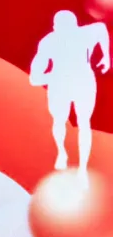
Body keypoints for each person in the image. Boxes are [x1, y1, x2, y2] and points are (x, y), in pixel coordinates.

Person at [29, 9, 110, 181]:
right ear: (55, 28)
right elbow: (35, 77)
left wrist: (106, 56)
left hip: (83, 83)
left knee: (83, 123)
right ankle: (62, 152)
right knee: (61, 121)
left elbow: (101, 29)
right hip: (62, 84)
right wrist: (54, 76)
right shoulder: (49, 42)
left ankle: (82, 168)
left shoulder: (83, 34)